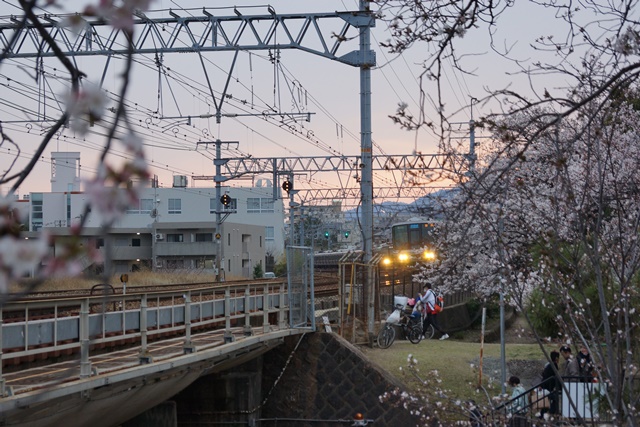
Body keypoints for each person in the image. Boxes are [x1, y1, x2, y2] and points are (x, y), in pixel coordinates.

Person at [541, 351, 561, 416]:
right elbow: (556, 377)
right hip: (548, 386)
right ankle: (549, 413)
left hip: (546, 386)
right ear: (556, 358)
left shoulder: (549, 365)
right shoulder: (554, 365)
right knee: (555, 399)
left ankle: (543, 414)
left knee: (548, 401)